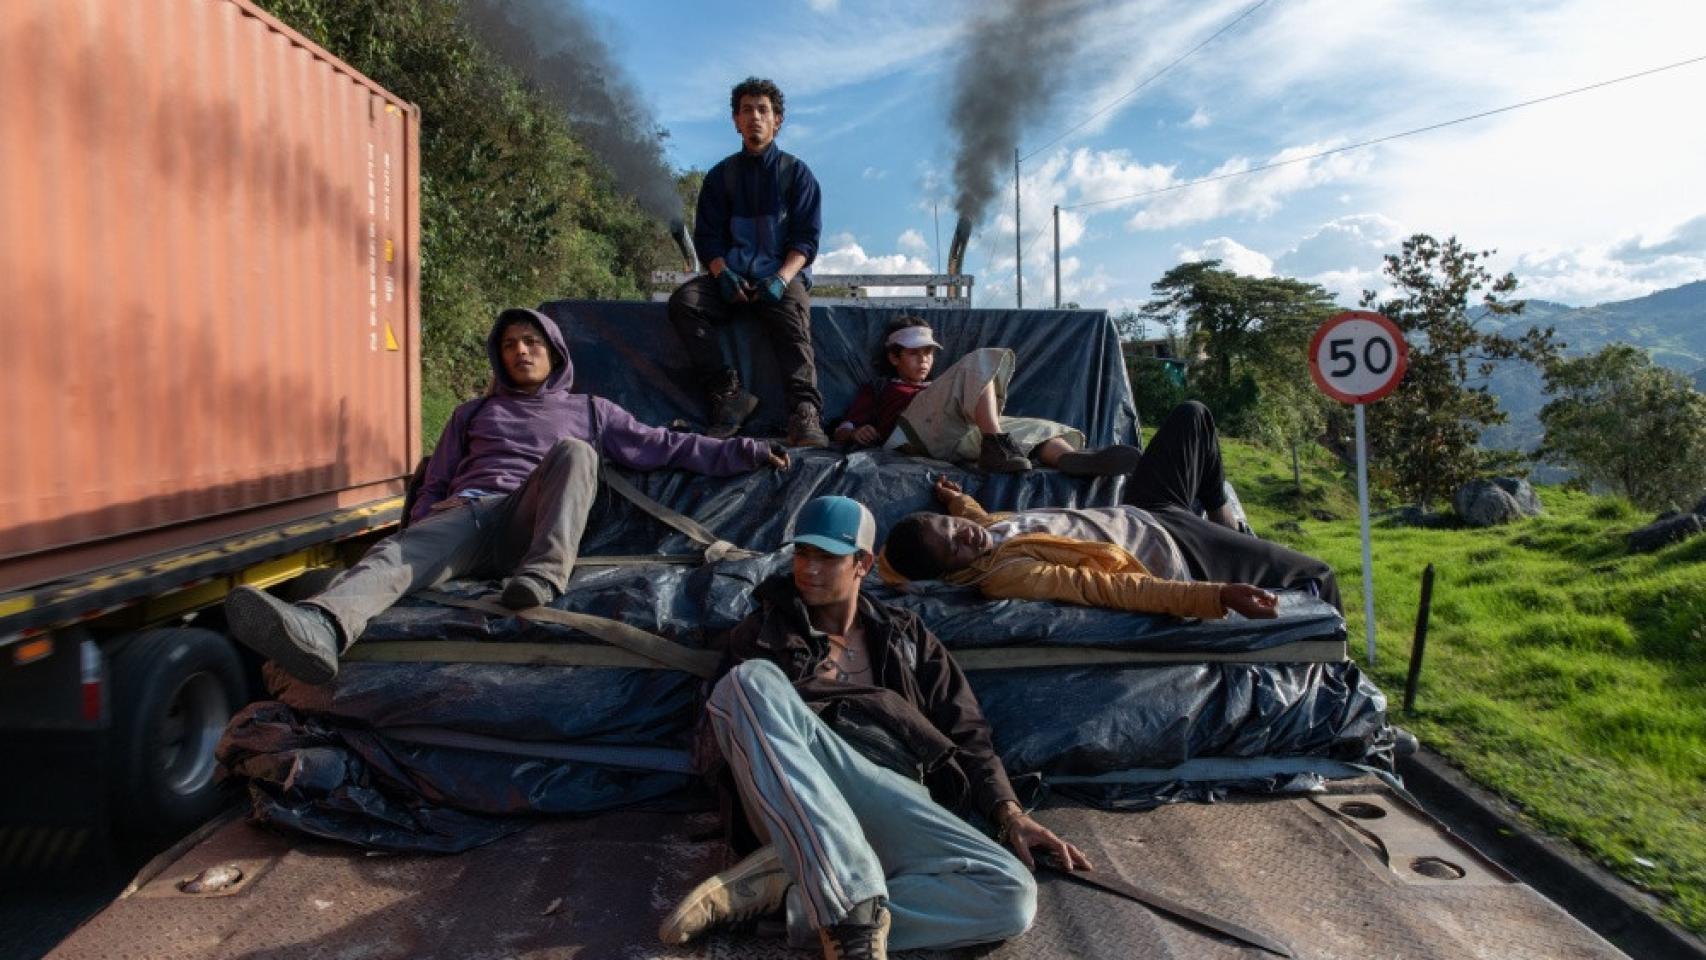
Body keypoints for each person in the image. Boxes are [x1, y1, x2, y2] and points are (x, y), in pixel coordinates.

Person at [224, 308, 789, 685]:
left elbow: (666, 446)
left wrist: (746, 451)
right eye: (511, 344)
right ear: (499, 357)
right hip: (468, 518)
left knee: (576, 453)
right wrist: (425, 520)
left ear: (554, 352)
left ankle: (541, 579)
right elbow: (437, 481)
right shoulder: (473, 412)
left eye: (532, 342)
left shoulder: (591, 411)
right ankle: (321, 628)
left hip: (531, 520)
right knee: (391, 556)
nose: (521, 351)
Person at [658, 496, 1090, 959]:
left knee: (1012, 896)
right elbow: (737, 738)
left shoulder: (908, 636)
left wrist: (1010, 814)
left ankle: (796, 902)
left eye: (827, 557)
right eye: (803, 554)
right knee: (746, 684)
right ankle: (852, 921)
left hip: (891, 794)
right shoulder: (764, 633)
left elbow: (968, 733)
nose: (809, 569)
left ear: (862, 563)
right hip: (803, 802)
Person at [879, 401, 1341, 618]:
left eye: (952, 527)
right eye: (955, 548)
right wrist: (1214, 595)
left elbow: (977, 522)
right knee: (1318, 574)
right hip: (1176, 547)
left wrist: (953, 499)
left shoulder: (981, 532)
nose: (967, 536)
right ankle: (1347, 687)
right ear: (951, 574)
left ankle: (1226, 518)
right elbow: (1113, 590)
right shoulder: (1004, 575)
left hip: (1143, 509)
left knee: (1192, 415)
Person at [668, 76, 827, 448]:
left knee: (794, 319)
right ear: (736, 121)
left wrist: (783, 278)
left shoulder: (796, 174)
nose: (754, 116)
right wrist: (722, 275)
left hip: (781, 277)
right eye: (746, 110)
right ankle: (729, 395)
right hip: (731, 278)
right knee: (684, 304)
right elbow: (708, 238)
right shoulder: (720, 178)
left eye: (763, 110)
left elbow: (806, 238)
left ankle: (804, 412)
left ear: (777, 120)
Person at [833, 315, 1142, 475]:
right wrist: (855, 432)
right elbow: (844, 426)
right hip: (910, 437)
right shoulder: (881, 387)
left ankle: (1070, 460)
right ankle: (997, 445)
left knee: (1036, 428)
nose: (924, 360)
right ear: (894, 357)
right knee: (980, 363)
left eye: (928, 352)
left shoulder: (938, 385)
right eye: (914, 353)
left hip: (956, 437)